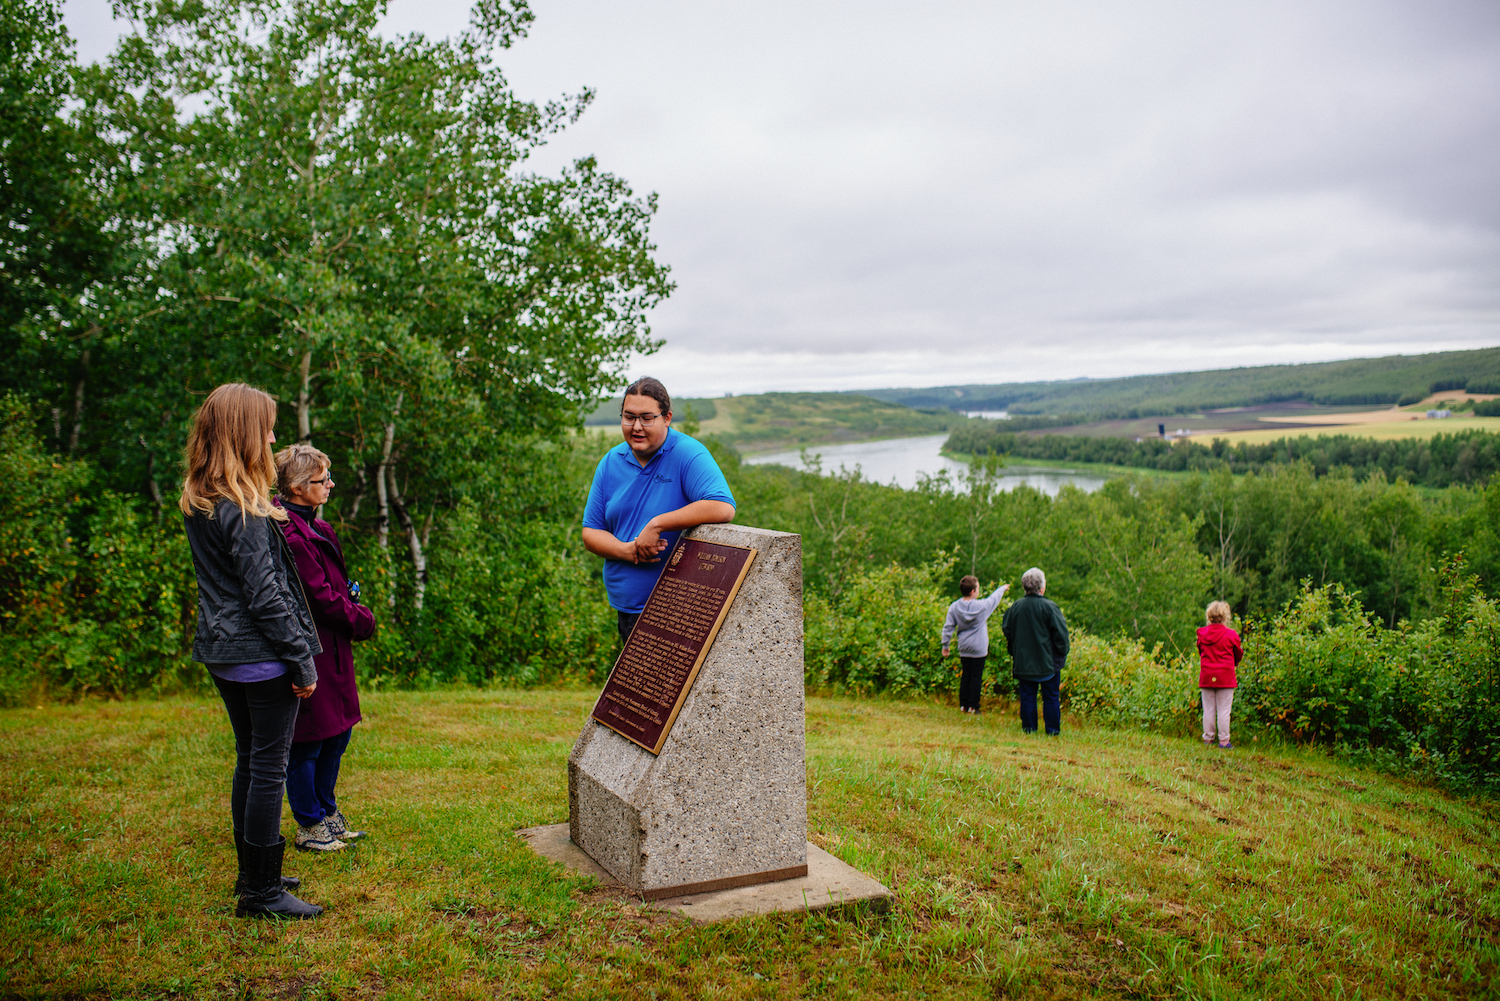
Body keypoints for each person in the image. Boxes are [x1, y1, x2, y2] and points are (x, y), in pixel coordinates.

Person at [180, 383, 323, 919]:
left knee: (251, 759)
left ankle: (255, 873)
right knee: (268, 766)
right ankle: (261, 894)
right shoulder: (244, 508)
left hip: (223, 650)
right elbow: (264, 594)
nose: (272, 436)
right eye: (265, 427)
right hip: (260, 652)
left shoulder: (203, 497)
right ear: (244, 434)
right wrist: (300, 656)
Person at [274, 444, 377, 851]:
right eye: (323, 479)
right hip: (311, 646)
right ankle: (309, 823)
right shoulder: (290, 533)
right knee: (310, 739)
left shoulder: (320, 527)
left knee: (338, 733)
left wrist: (351, 606)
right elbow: (319, 597)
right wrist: (362, 618)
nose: (330, 484)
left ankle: (328, 809)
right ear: (299, 487)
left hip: (336, 646)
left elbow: (337, 588)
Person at [582, 377, 736, 644]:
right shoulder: (610, 462)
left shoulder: (687, 453)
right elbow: (591, 532)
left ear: (667, 418)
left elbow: (722, 506)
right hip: (627, 608)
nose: (637, 427)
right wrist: (627, 551)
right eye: (629, 417)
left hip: (676, 610)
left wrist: (657, 524)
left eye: (647, 418)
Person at [1000, 567, 1069, 735]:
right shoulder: (1050, 607)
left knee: (1028, 696)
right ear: (1042, 587)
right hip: (1048, 661)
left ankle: (1029, 729)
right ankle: (1052, 730)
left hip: (1024, 661)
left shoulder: (1015, 607)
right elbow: (1061, 635)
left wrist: (1014, 650)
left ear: (1025, 587)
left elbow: (1007, 630)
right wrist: (1062, 653)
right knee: (1051, 696)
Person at [941, 575, 1010, 714]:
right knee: (976, 677)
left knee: (966, 674)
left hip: (964, 646)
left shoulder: (954, 607)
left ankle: (963, 705)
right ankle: (974, 706)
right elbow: (993, 599)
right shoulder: (981, 606)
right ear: (972, 591)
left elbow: (948, 627)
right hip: (979, 647)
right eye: (978, 588)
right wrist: (1002, 589)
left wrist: (945, 645)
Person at [1197, 600, 1243, 750]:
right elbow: (1238, 654)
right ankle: (1224, 741)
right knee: (1224, 710)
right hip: (1225, 676)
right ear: (1225, 617)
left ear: (1209, 616)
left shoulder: (1202, 634)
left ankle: (1208, 739)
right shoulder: (1231, 635)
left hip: (1207, 675)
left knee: (1208, 709)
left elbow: (1201, 652)